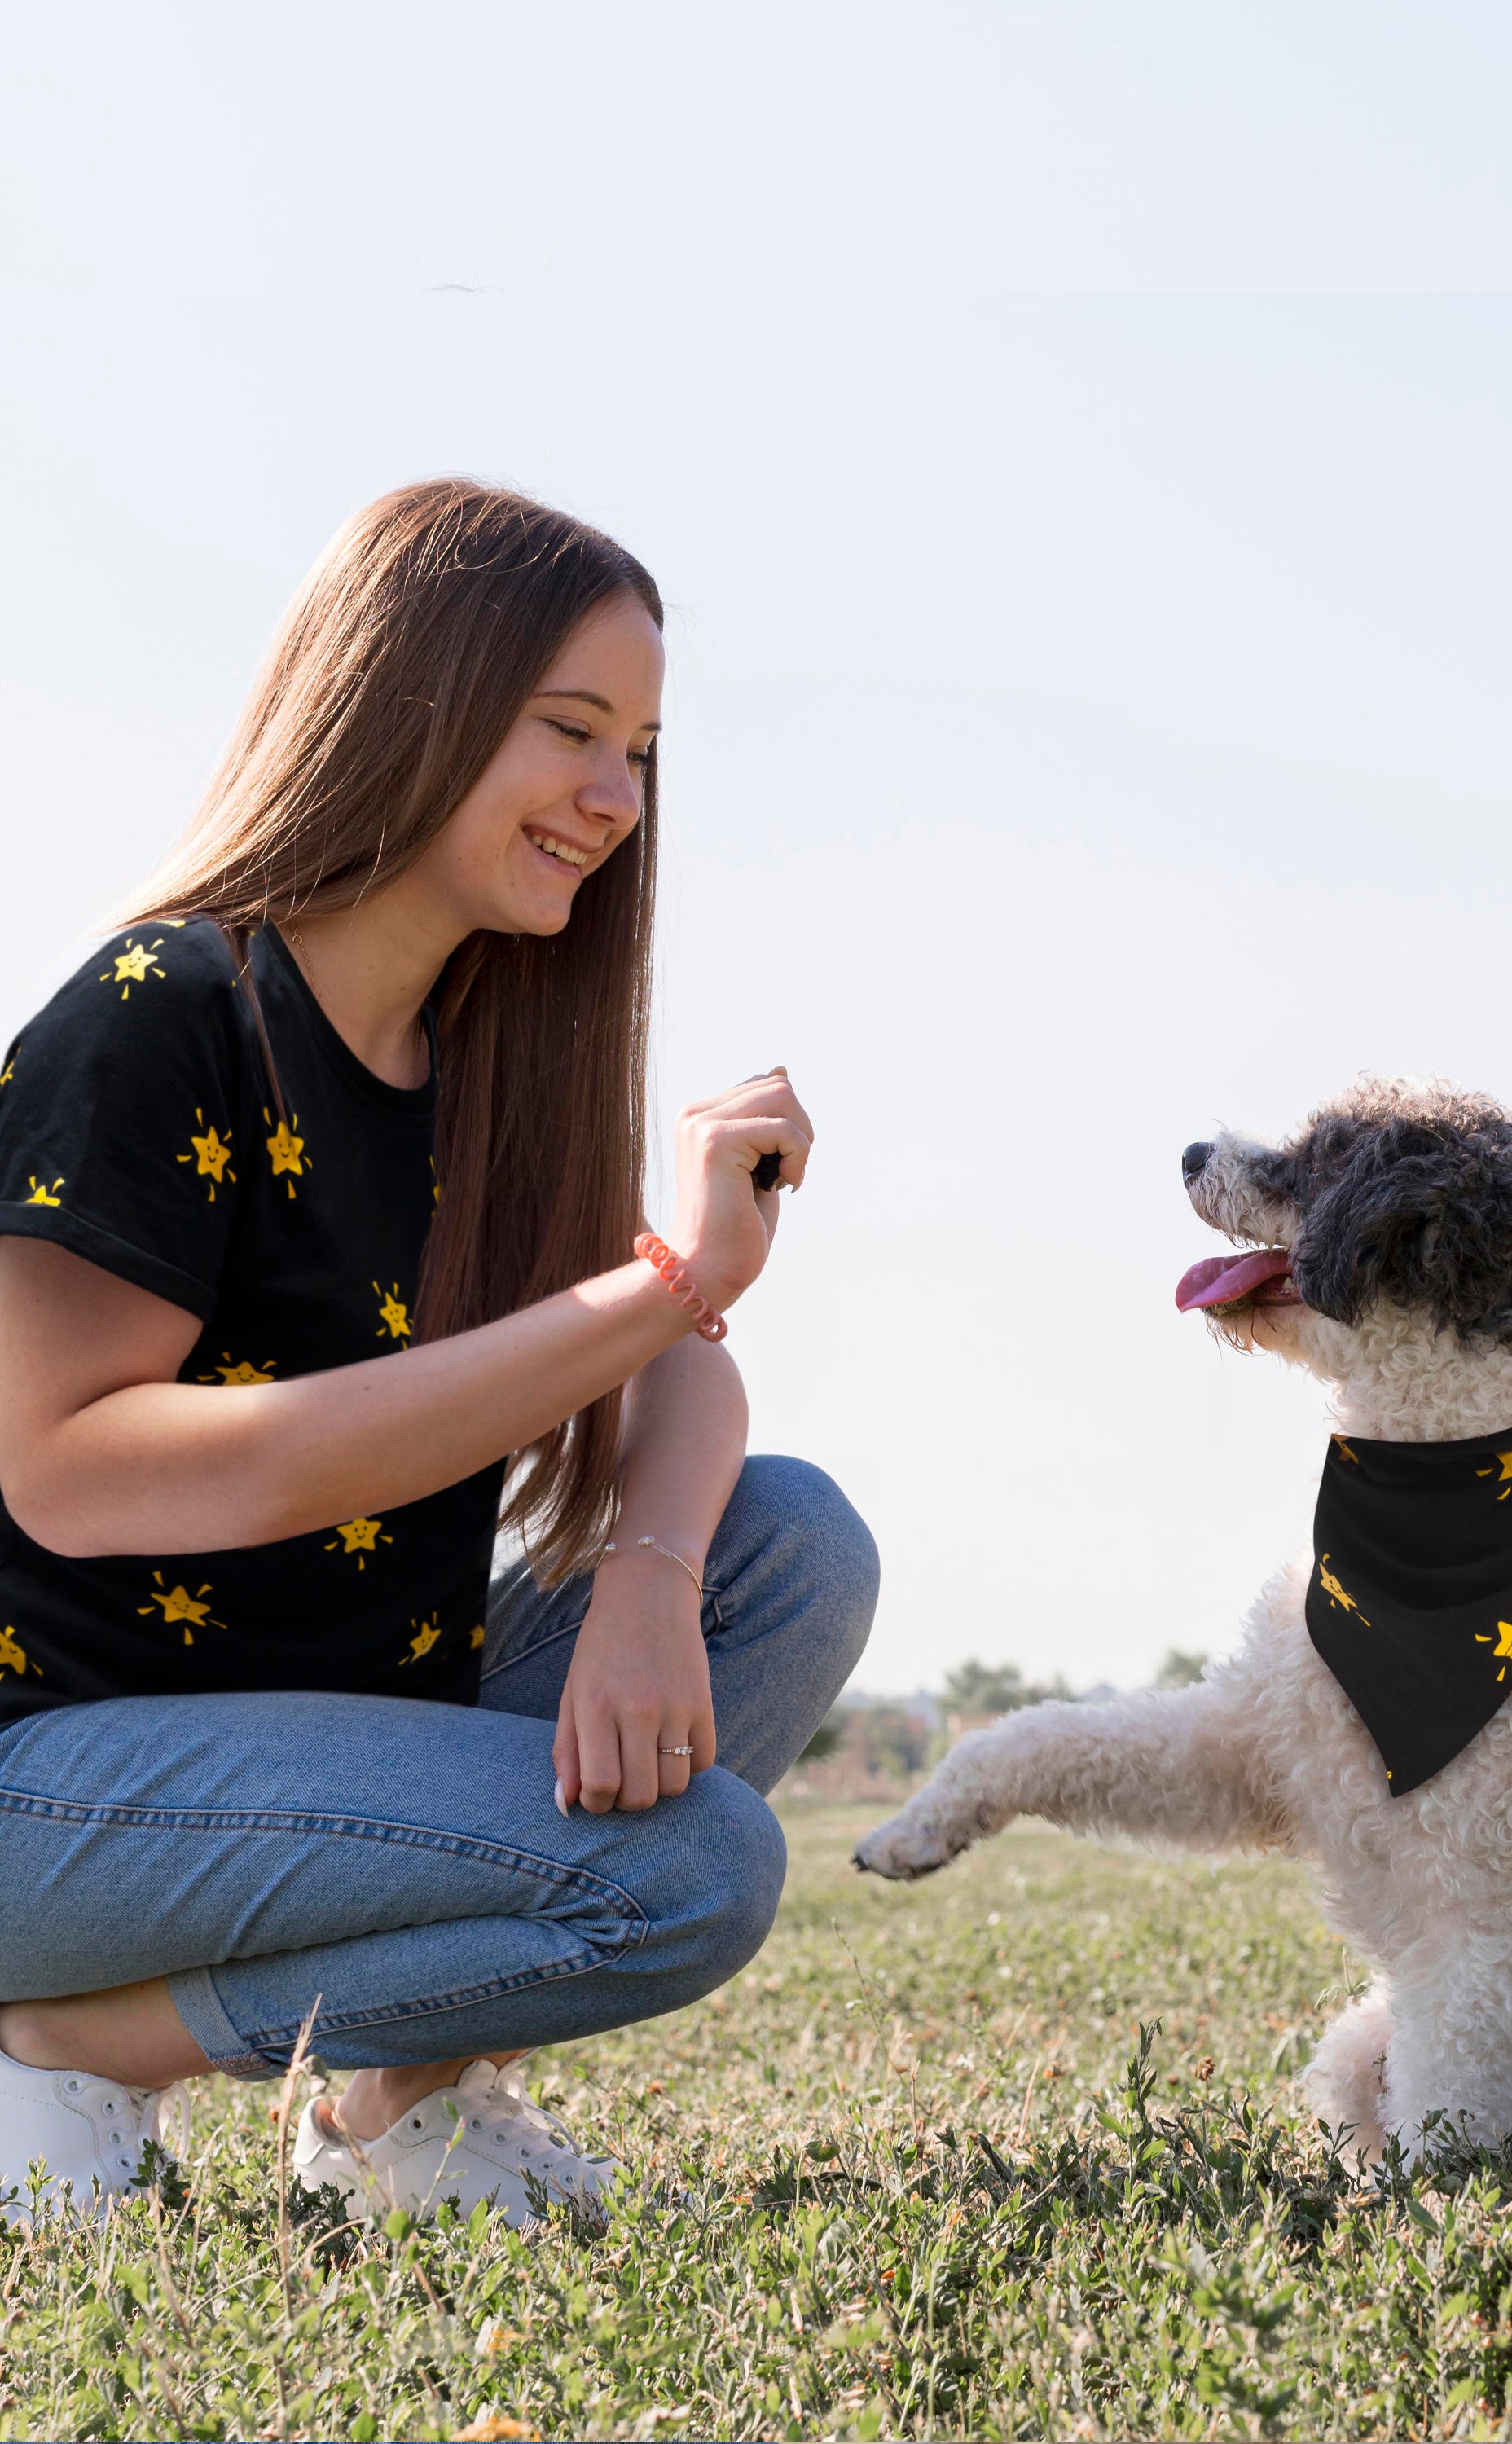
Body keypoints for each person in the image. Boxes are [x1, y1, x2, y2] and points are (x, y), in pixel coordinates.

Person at [0, 479, 877, 2226]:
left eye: (638, 750)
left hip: (333, 1728)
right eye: (571, 732)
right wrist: (661, 1284)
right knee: (691, 1870)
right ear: (410, 697)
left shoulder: (492, 1054)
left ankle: (394, 2111)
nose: (614, 801)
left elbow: (671, 1362)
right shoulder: (165, 1015)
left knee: (784, 1545)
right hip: (58, 1778)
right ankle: (69, 2040)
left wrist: (643, 1569)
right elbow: (69, 1470)